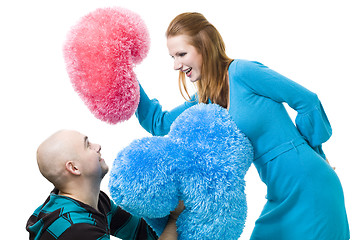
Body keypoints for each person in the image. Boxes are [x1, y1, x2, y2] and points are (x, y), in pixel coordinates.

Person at [135, 12, 350, 239]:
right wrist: (125, 76)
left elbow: (308, 102)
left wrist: (316, 153)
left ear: (205, 46)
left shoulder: (243, 71)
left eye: (181, 54)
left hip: (310, 183)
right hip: (278, 192)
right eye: (173, 57)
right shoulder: (205, 99)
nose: (177, 65)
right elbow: (160, 124)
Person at [26, 130, 181, 240]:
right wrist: (175, 218)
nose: (98, 146)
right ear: (74, 168)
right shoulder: (76, 230)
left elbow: (143, 232)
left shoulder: (97, 201)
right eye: (88, 145)